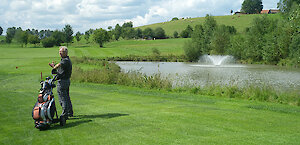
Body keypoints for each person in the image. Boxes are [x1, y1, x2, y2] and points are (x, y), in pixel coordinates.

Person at [49, 46, 73, 126]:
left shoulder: (65, 60)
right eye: (59, 51)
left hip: (63, 82)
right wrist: (54, 66)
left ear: (65, 53)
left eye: (61, 52)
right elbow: (60, 68)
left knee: (63, 99)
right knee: (66, 97)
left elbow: (59, 65)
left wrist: (54, 67)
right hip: (65, 81)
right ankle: (69, 113)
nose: (59, 53)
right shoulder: (64, 60)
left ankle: (65, 115)